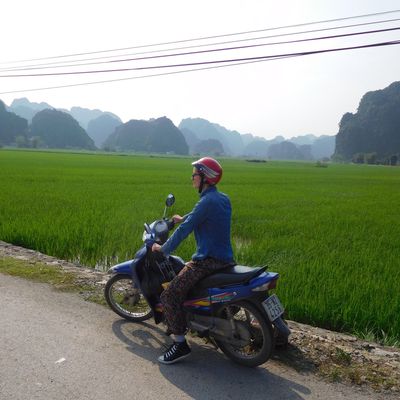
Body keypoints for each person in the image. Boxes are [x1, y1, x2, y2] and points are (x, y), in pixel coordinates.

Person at [152, 156, 235, 364]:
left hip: (207, 261)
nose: (192, 179)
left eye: (194, 175)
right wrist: (184, 217)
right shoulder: (222, 198)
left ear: (205, 177)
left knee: (169, 295)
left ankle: (180, 344)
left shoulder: (206, 201)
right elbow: (199, 215)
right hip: (225, 260)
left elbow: (184, 231)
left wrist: (163, 249)